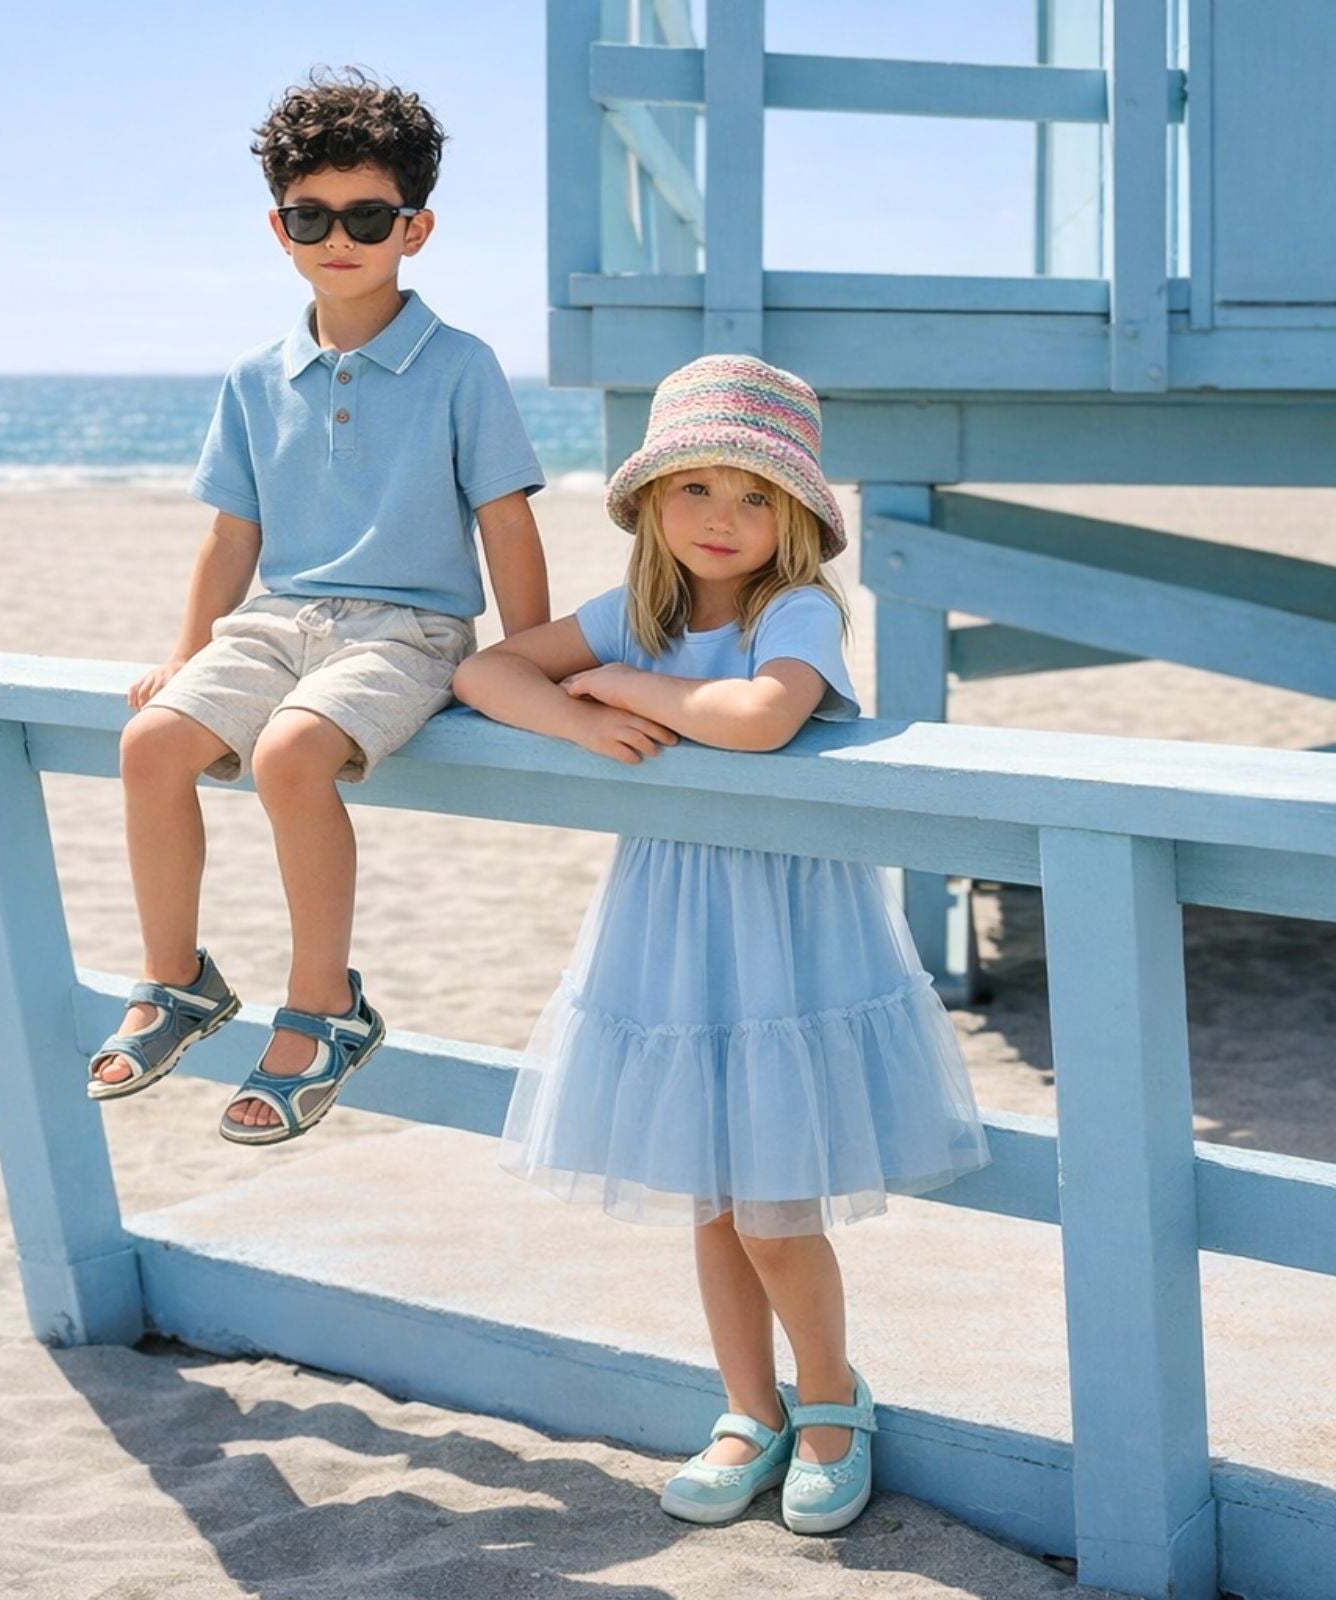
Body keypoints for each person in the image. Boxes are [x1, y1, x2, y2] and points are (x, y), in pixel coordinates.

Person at [452, 354, 990, 1534]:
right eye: (694, 489)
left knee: (772, 1204)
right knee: (707, 1194)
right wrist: (571, 717)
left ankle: (836, 1399)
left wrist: (621, 689)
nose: (722, 519)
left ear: (793, 516)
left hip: (786, 929)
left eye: (754, 497)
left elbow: (758, 717)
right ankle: (748, 1408)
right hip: (672, 923)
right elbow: (484, 668)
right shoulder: (635, 611)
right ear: (650, 502)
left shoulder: (783, 610)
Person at [86, 68, 548, 1146]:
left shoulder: (462, 367)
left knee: (291, 757)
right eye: (311, 216)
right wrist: (186, 653)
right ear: (279, 225)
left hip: (412, 627)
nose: (338, 236)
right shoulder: (253, 377)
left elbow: (507, 522)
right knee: (151, 742)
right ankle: (180, 980)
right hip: (277, 620)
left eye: (367, 216)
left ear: (415, 228)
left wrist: (529, 659)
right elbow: (231, 536)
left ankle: (324, 1007)